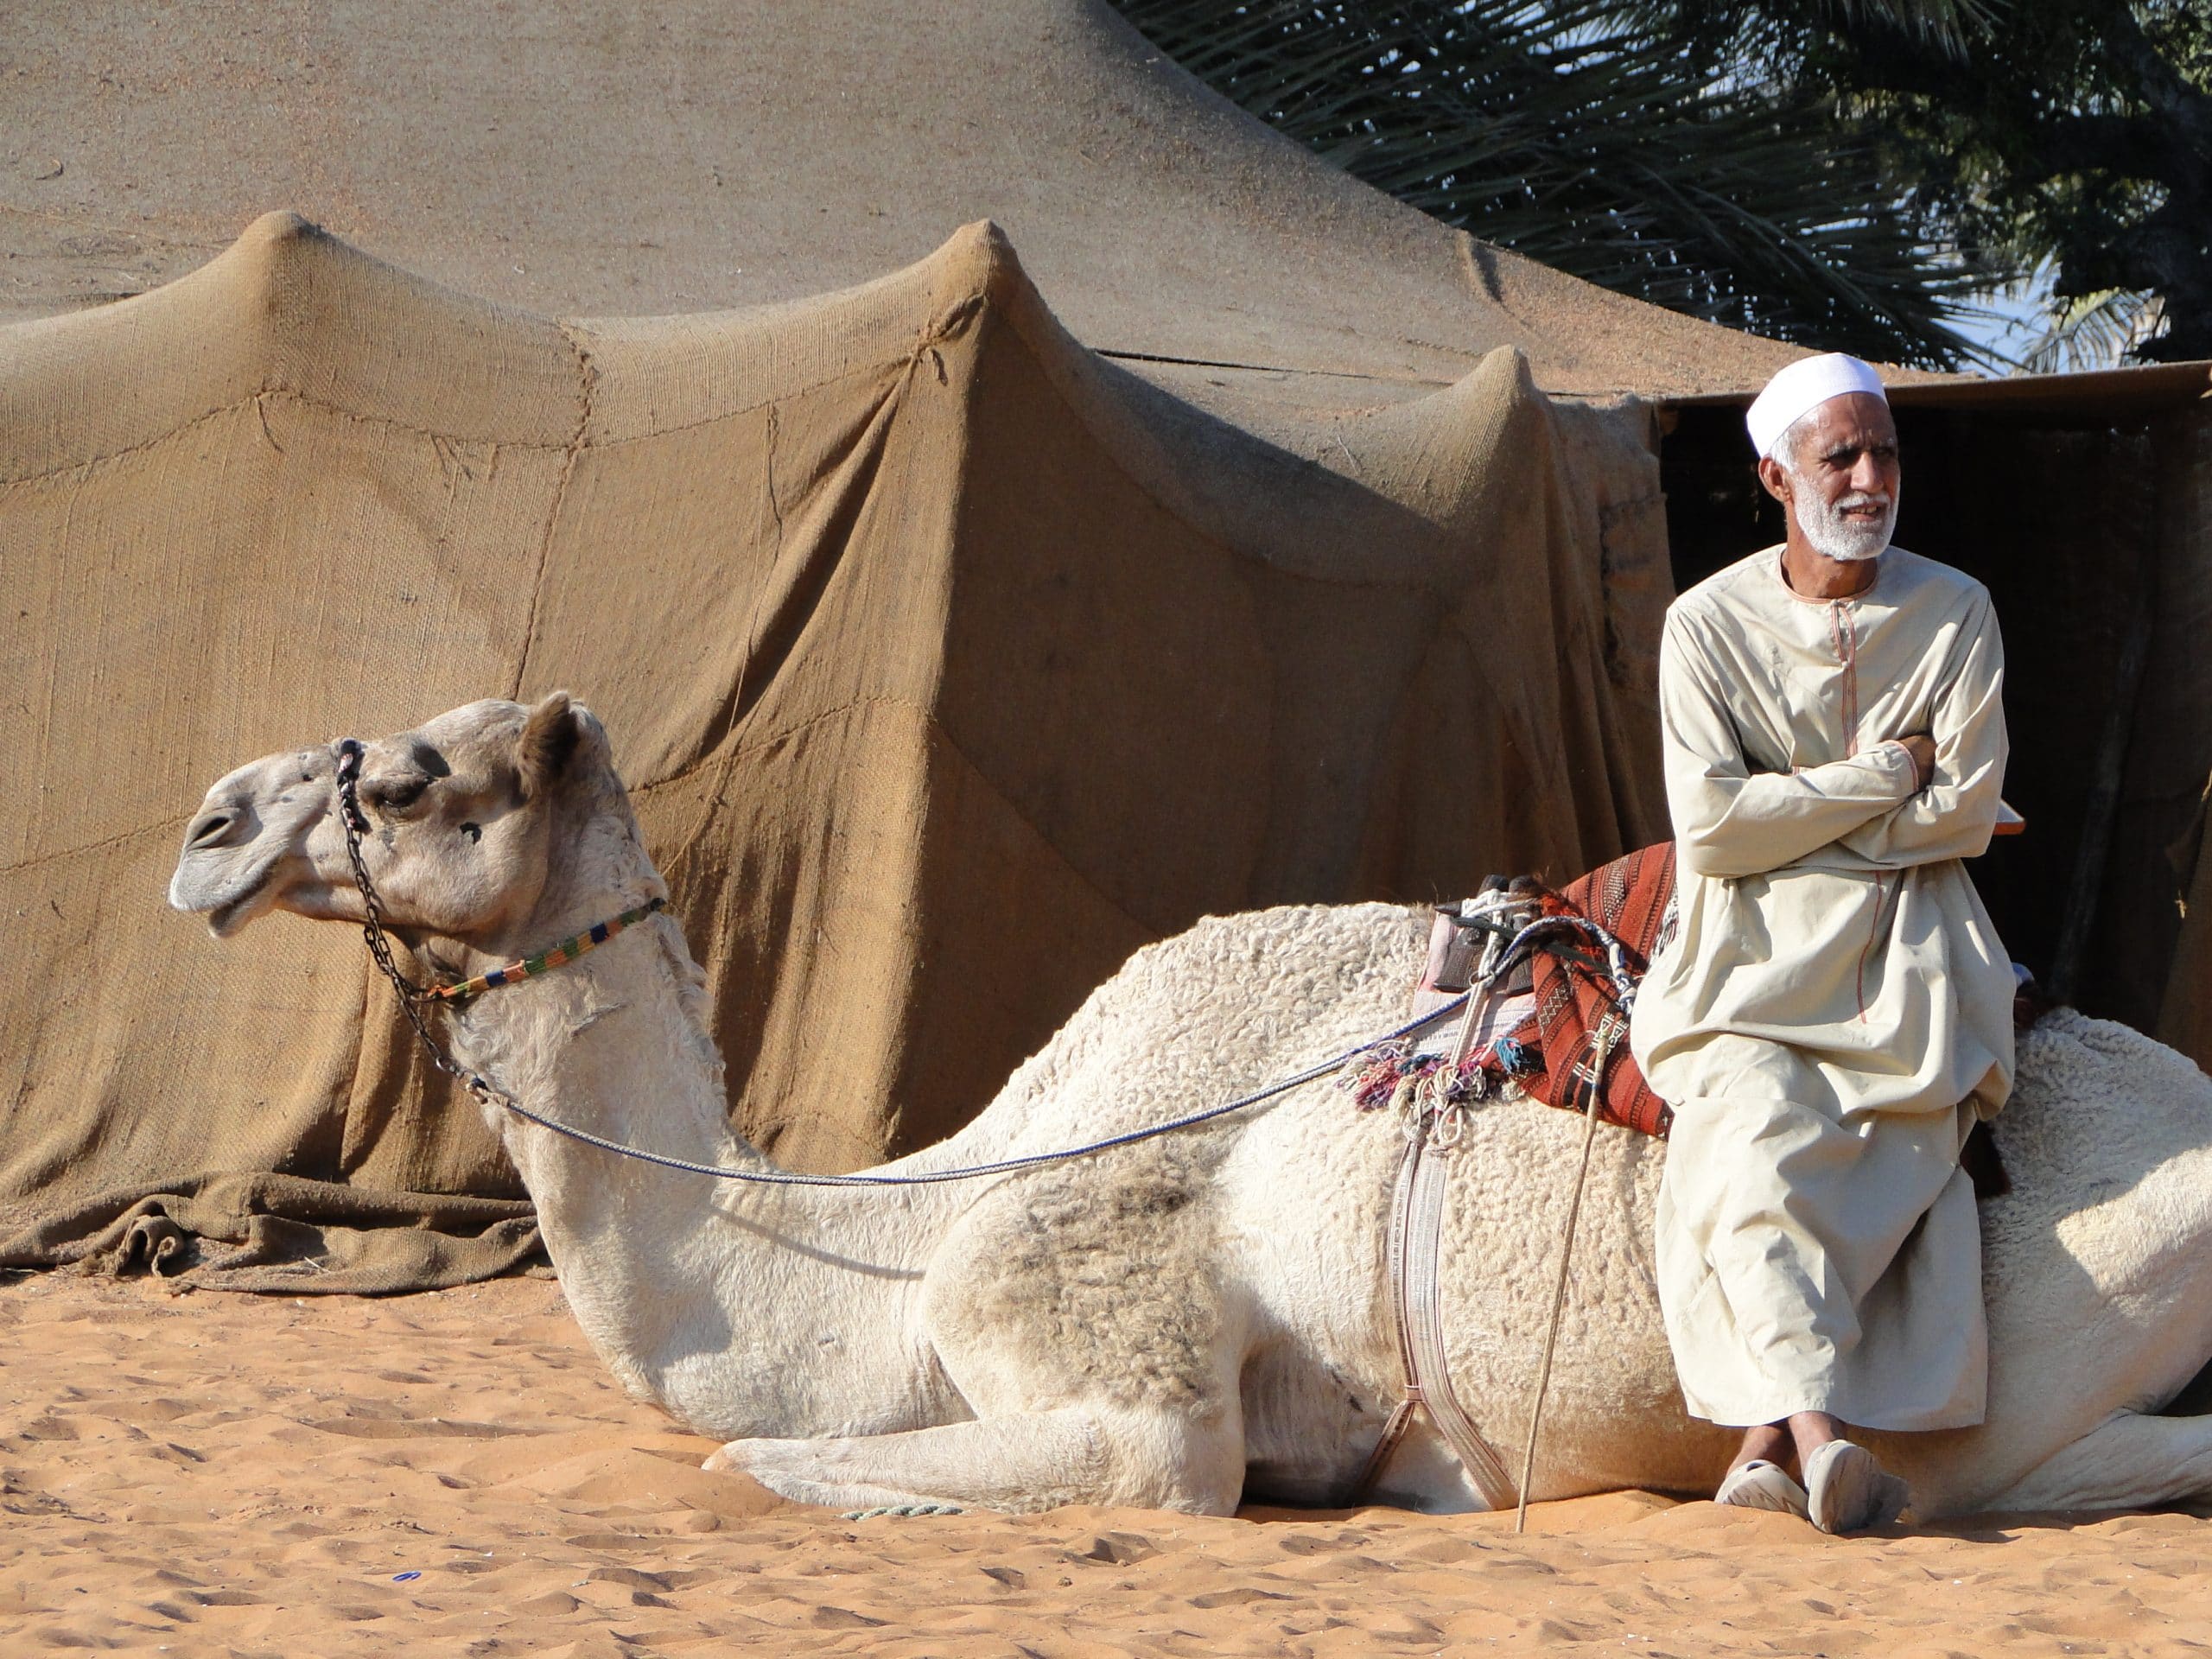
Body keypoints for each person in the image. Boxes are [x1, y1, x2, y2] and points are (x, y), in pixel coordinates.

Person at [1628, 353, 2016, 1533]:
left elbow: (1971, 810)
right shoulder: (1703, 628)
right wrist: (1886, 775)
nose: (1866, 477)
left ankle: (1767, 1443)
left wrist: (1792, 815)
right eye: (1838, 455)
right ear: (1773, 475)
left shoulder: (1956, 610)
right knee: (1748, 1139)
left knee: (1885, 1155)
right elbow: (1710, 830)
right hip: (1741, 972)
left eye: (1883, 451)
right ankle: (1819, 1431)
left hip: (1915, 964)